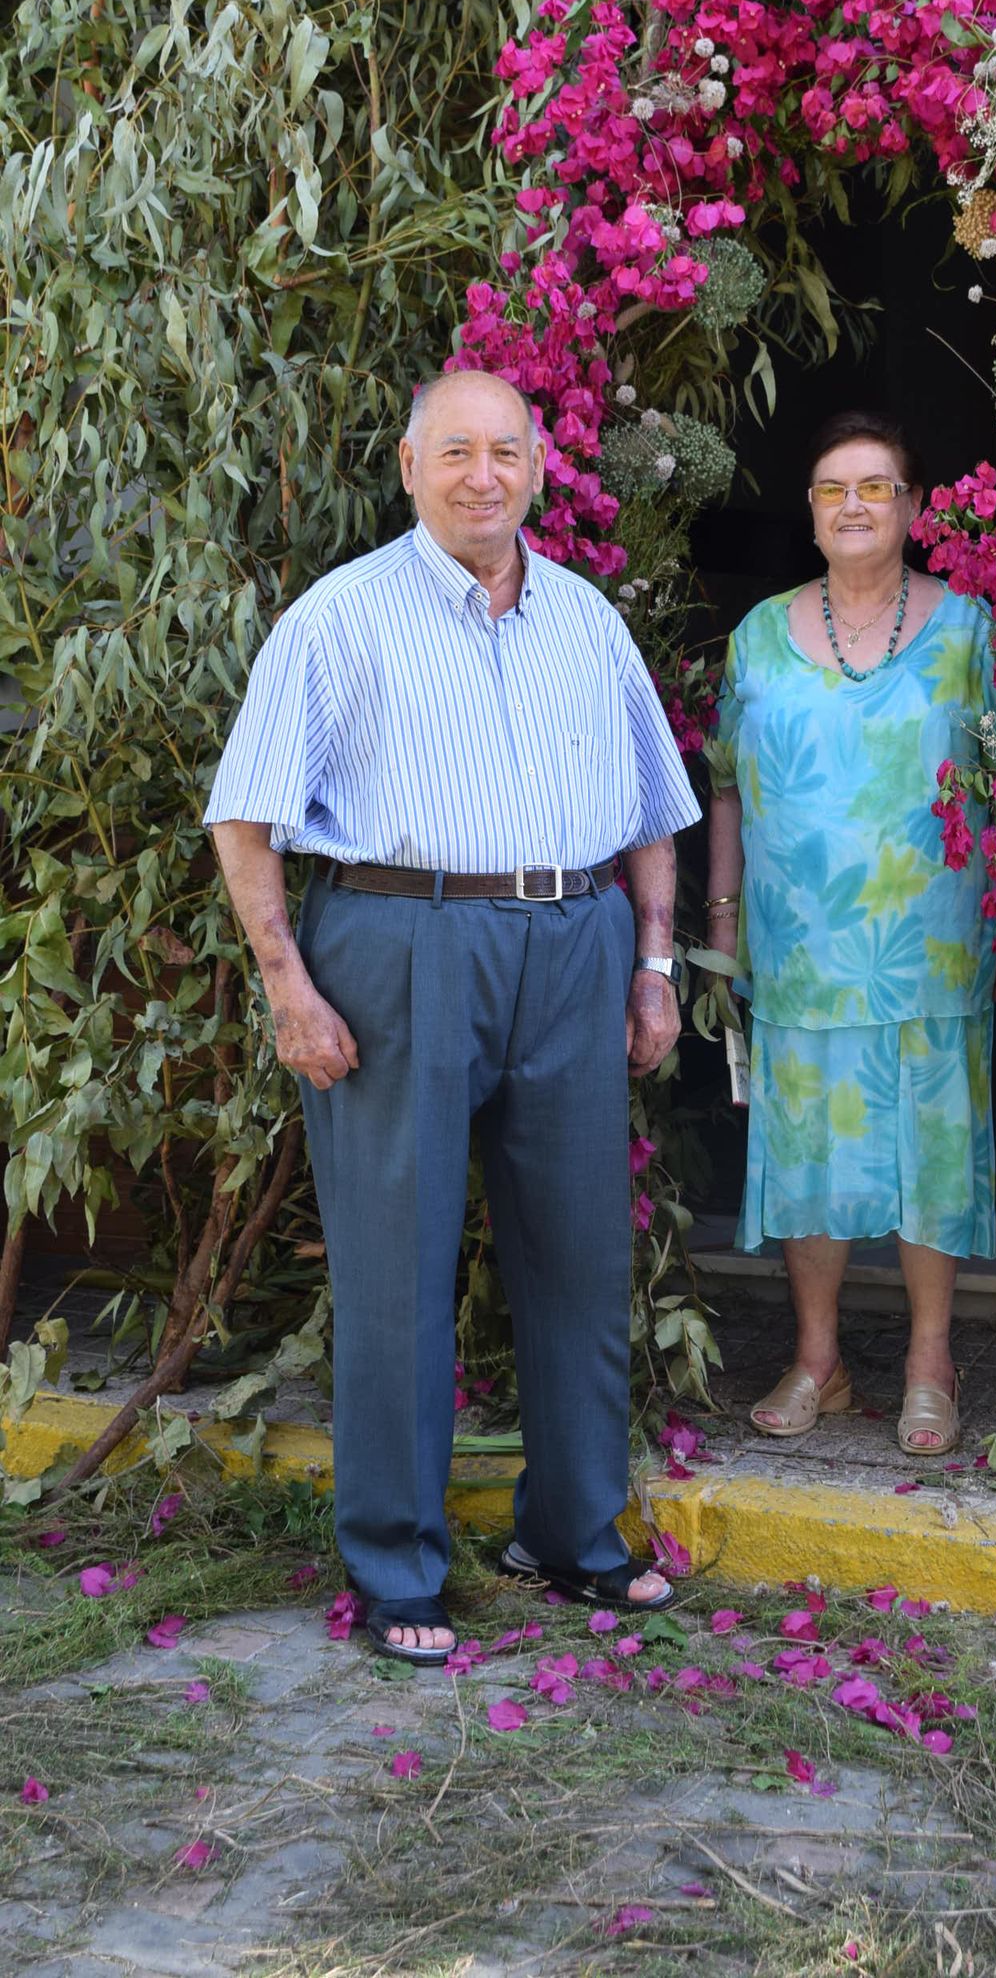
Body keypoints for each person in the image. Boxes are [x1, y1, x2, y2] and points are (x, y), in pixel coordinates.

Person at [206, 369, 700, 1664]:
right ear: (411, 466)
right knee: (399, 1272)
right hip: (400, 944)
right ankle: (397, 1567)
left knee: (579, 1260)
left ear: (538, 466)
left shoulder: (587, 617)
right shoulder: (340, 616)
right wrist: (287, 986)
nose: (485, 475)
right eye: (457, 452)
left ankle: (574, 1536)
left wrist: (654, 965)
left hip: (576, 944)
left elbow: (654, 807)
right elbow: (245, 815)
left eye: (507, 452)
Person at [704, 410, 996, 1458]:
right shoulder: (757, 635)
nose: (853, 505)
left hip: (932, 941)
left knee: (930, 1149)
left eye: (876, 486)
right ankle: (818, 1361)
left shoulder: (969, 631)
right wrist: (722, 919)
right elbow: (726, 787)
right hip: (798, 944)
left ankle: (929, 1362)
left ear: (914, 506)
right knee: (806, 1151)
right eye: (833, 488)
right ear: (810, 509)